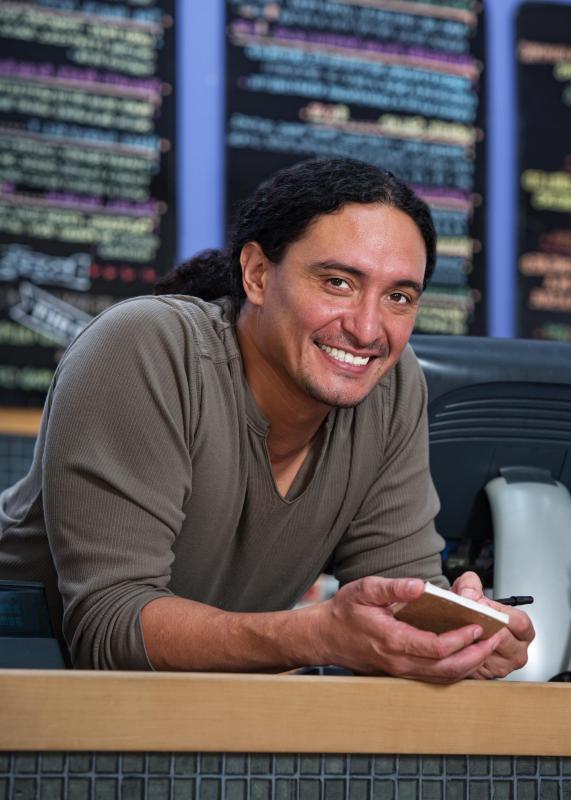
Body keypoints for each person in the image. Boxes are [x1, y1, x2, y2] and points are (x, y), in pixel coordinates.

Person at [0, 157, 534, 679]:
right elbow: (107, 628)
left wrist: (453, 635)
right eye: (338, 283)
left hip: (178, 719)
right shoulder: (146, 345)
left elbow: (398, 597)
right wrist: (318, 635)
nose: (369, 330)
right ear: (256, 274)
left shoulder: (391, 386)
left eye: (398, 296)